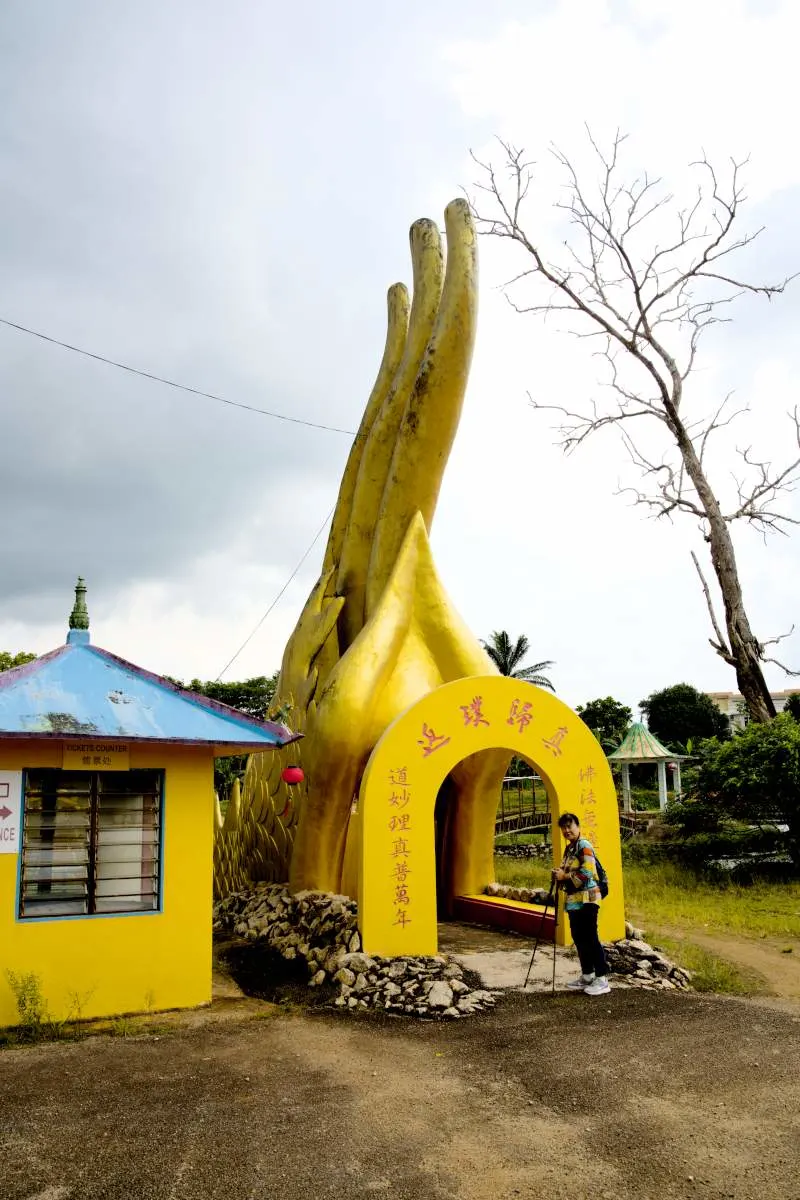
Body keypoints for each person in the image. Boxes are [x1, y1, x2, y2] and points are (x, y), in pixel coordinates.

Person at [553, 811, 610, 996]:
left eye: (569, 826)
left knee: (590, 937)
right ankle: (587, 975)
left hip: (588, 898)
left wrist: (565, 876)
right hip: (574, 901)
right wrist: (559, 875)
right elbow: (568, 871)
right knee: (579, 937)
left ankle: (602, 978)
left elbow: (587, 872)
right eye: (563, 827)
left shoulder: (584, 845)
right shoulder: (569, 848)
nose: (566, 830)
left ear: (578, 827)